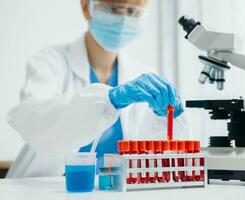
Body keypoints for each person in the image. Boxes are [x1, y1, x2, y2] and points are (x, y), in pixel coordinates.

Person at [6, 0, 188, 177]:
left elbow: (158, 158)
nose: (123, 19)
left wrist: (165, 118)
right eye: (114, 8)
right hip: (48, 188)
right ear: (86, 7)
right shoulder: (50, 62)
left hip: (116, 190)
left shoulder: (144, 75)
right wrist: (108, 99)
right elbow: (32, 120)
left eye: (132, 12)